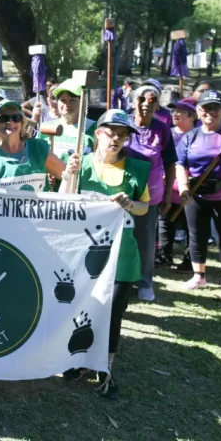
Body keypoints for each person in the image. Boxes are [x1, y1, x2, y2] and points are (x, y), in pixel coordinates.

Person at [60, 110, 150, 400]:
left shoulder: (136, 168)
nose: (117, 139)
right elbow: (64, 202)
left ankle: (106, 365)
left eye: (123, 135)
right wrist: (68, 175)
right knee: (82, 306)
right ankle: (80, 360)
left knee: (113, 313)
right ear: (98, 133)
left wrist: (128, 204)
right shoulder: (79, 164)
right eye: (112, 133)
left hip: (122, 254)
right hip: (83, 253)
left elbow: (144, 207)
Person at [176, 90, 221, 300]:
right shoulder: (190, 136)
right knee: (196, 235)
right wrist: (183, 188)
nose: (210, 112)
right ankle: (199, 276)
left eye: (215, 108)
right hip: (196, 194)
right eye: (206, 108)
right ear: (198, 111)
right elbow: (180, 164)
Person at [124, 85, 176, 302]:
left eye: (152, 100)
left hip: (150, 195)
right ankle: (121, 280)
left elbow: (170, 163)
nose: (146, 104)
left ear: (157, 104)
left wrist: (167, 196)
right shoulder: (122, 122)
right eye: (141, 99)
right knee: (121, 238)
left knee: (145, 242)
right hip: (121, 191)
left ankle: (145, 282)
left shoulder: (162, 129)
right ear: (133, 101)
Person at [0, 100, 72, 190]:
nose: (10, 122)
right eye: (3, 118)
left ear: (22, 123)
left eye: (16, 118)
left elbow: (68, 176)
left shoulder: (38, 148)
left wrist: (69, 170)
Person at [157, 98, 197, 270]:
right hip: (167, 187)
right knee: (165, 221)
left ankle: (190, 259)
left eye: (180, 111)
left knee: (191, 226)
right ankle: (164, 255)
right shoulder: (167, 133)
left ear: (193, 116)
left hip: (191, 188)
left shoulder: (199, 135)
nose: (175, 114)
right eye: (174, 111)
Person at [37, 79, 96, 160]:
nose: (67, 104)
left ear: (83, 102)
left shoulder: (95, 129)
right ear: (57, 102)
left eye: (72, 100)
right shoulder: (48, 128)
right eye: (63, 100)